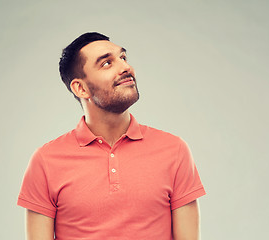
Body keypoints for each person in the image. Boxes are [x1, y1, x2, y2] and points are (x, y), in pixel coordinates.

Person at [17, 32, 206, 240]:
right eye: (107, 63)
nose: (125, 67)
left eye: (123, 58)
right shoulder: (45, 161)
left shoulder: (175, 150)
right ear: (81, 88)